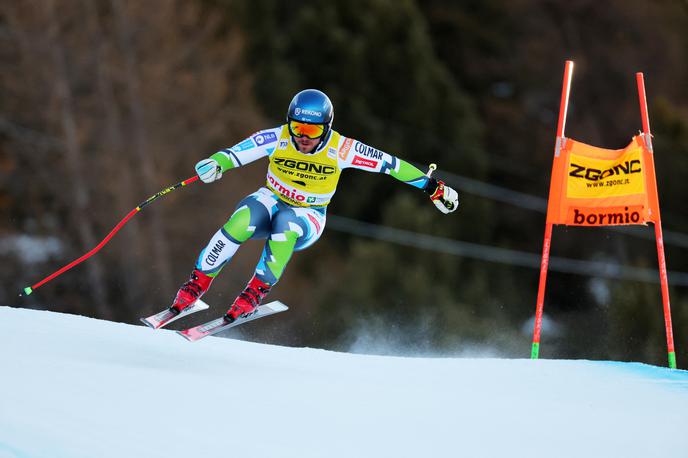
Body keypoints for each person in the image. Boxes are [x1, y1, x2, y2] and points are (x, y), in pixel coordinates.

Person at [170, 89, 459, 322]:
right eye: (297, 127)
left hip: (309, 215)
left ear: (327, 128)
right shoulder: (277, 137)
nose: (303, 137)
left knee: (286, 227)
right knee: (241, 220)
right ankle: (196, 285)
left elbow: (391, 165)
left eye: (312, 130)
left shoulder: (343, 149)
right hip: (272, 198)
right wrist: (213, 165)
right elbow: (234, 154)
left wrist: (432, 187)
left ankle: (252, 294)